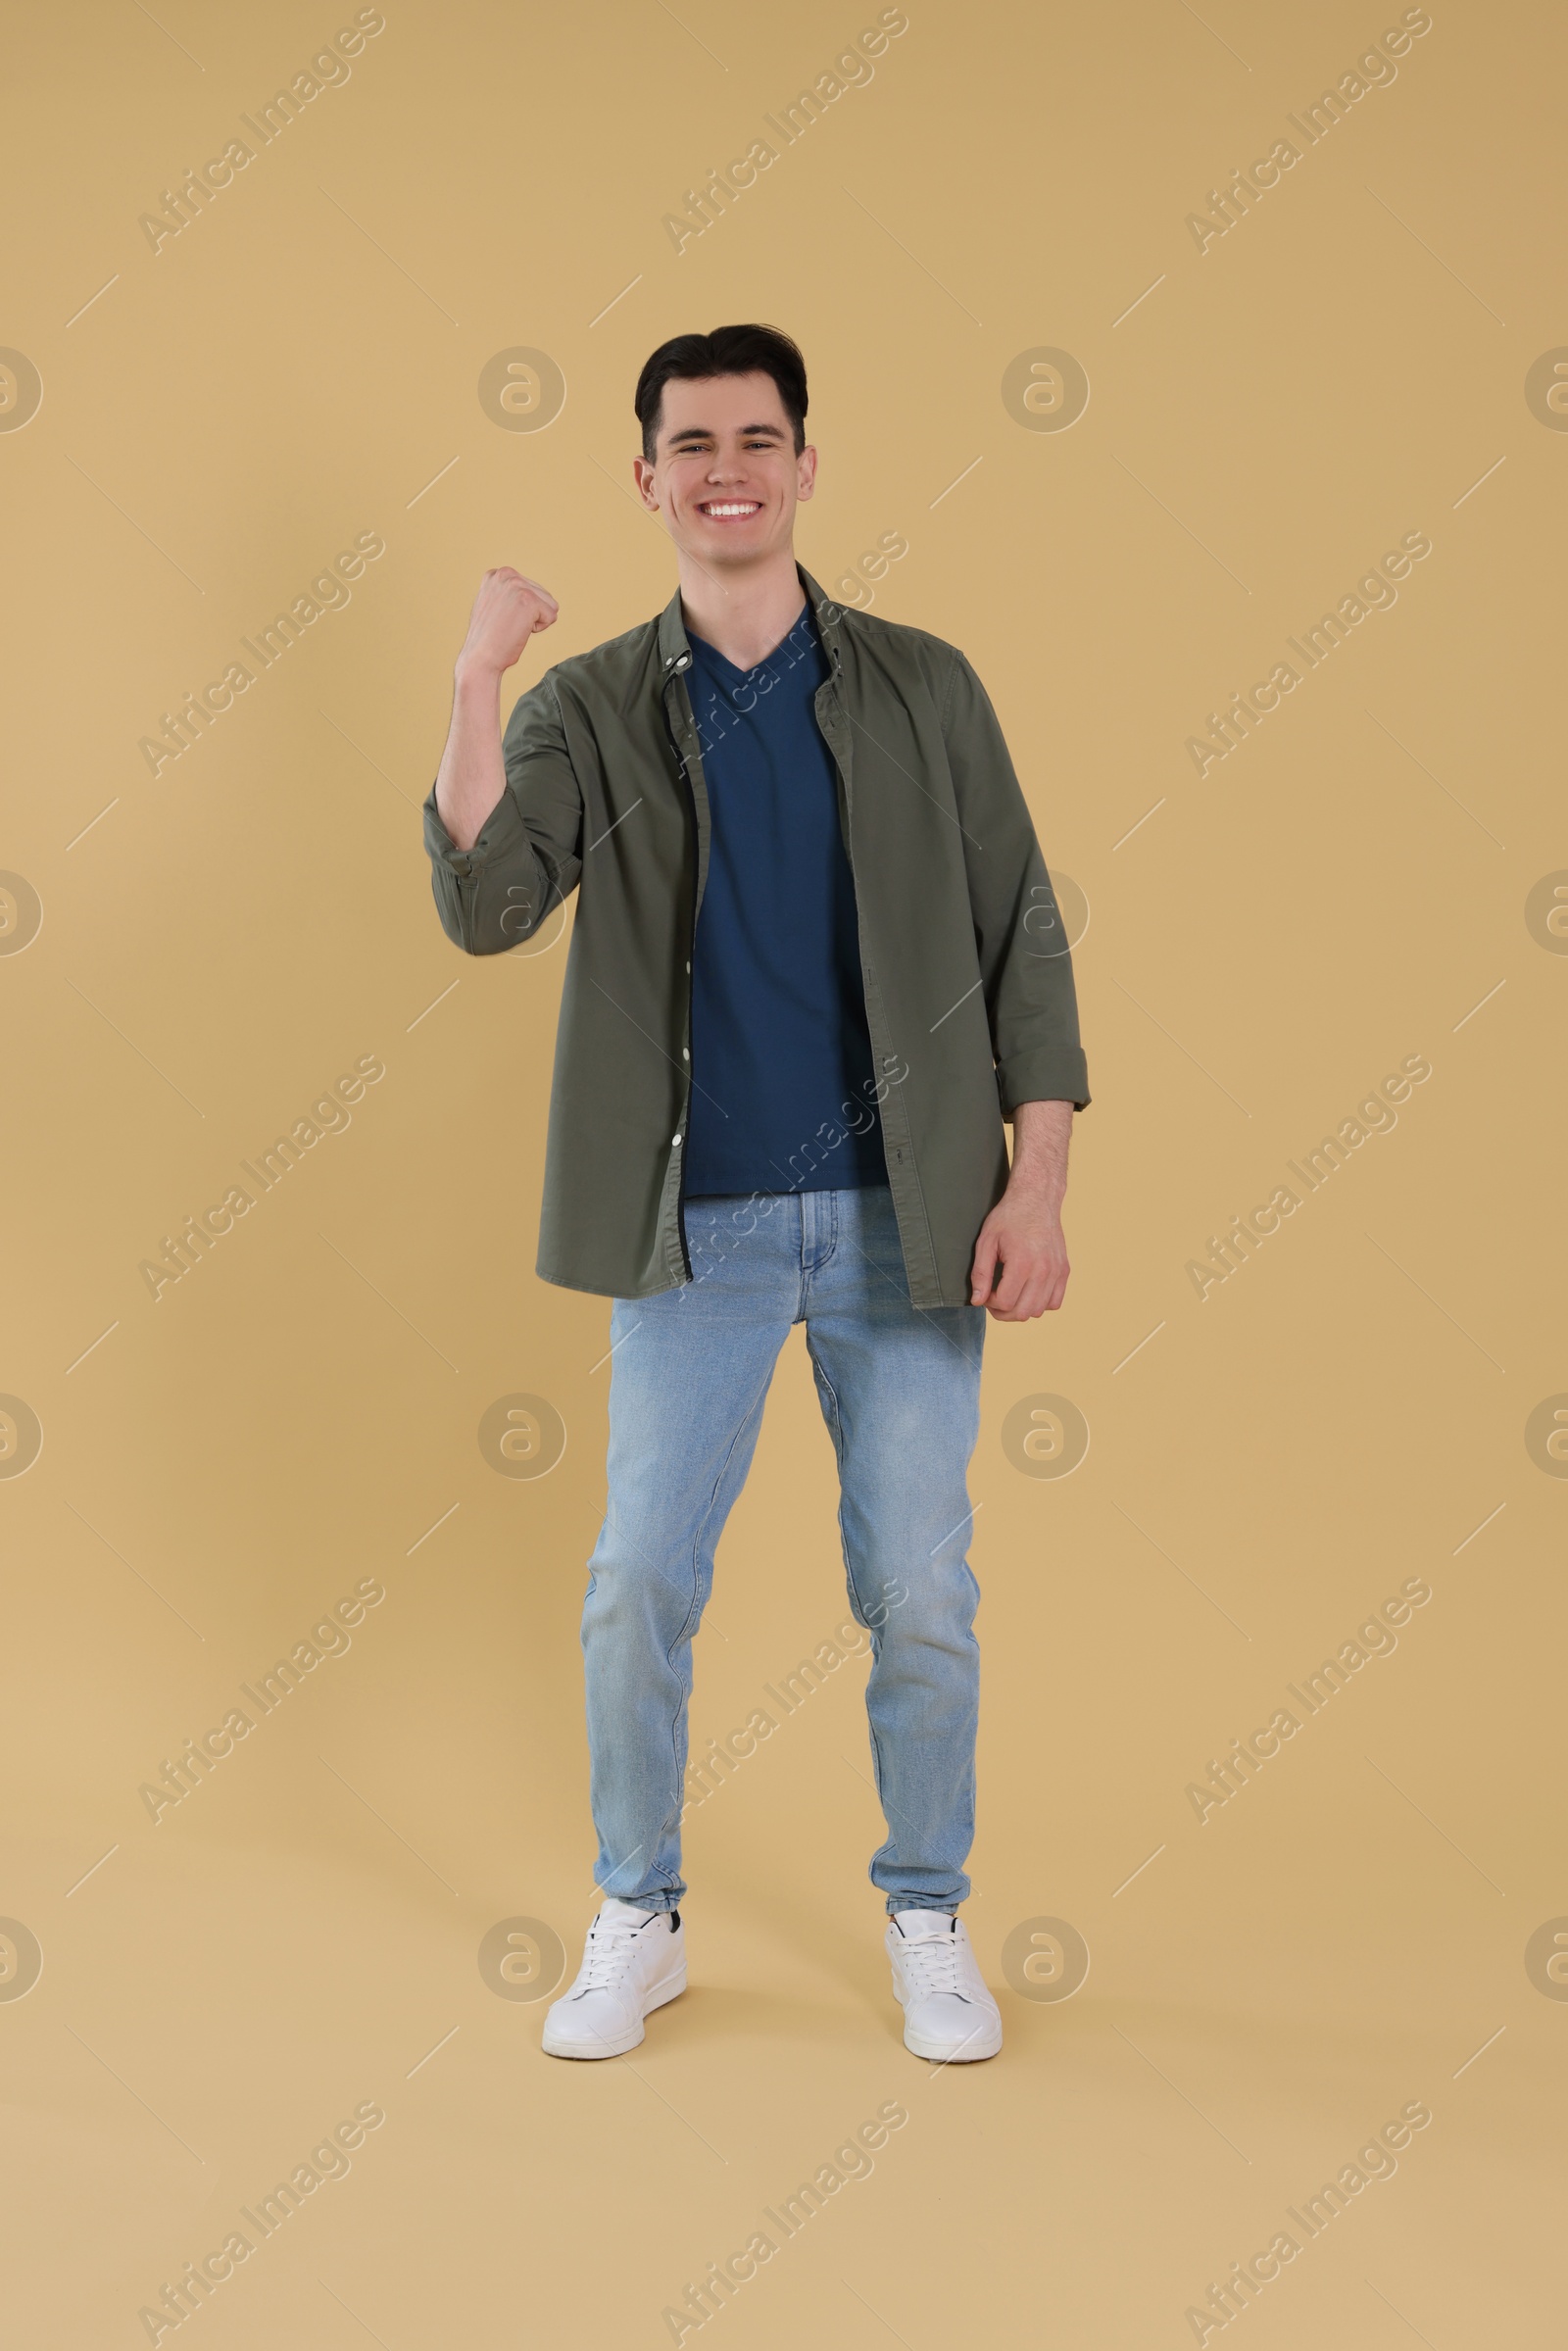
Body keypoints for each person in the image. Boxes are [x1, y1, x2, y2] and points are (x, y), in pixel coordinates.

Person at [422, 322, 1090, 2066]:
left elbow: (1025, 927)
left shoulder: (925, 686)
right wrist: (482, 675)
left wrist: (1040, 1185)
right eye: (693, 442)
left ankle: (927, 1914)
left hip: (912, 1217)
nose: (727, 467)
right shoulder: (589, 705)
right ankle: (636, 1912)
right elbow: (489, 903)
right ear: (646, 478)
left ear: (805, 467)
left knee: (920, 1590)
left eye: (758, 438)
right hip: (691, 1226)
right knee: (640, 1575)